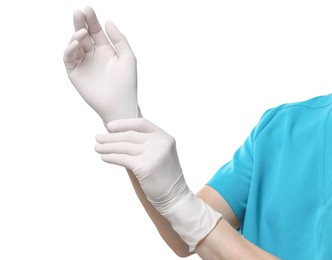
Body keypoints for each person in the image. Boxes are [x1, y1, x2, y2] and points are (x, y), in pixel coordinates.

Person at [63, 6, 332, 260]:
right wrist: (125, 119)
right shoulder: (282, 127)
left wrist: (186, 208)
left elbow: (196, 221)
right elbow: (184, 237)